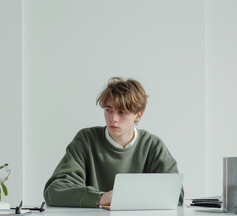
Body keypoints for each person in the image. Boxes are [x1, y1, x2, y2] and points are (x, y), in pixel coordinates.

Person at [43, 77, 184, 208]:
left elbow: (176, 196)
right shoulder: (86, 140)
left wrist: (125, 198)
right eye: (109, 110)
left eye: (122, 112)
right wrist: (99, 198)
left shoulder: (153, 146)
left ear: (138, 115)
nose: (113, 118)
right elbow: (54, 191)